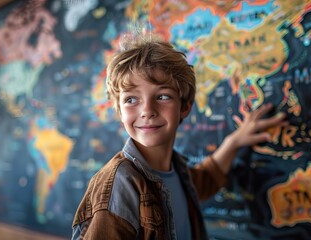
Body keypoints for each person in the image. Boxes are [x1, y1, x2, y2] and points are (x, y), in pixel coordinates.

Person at [71, 39, 287, 239]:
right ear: (119, 112)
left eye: (162, 96)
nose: (147, 110)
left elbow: (205, 180)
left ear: (185, 106)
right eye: (131, 99)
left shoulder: (176, 170)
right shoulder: (121, 184)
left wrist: (234, 142)